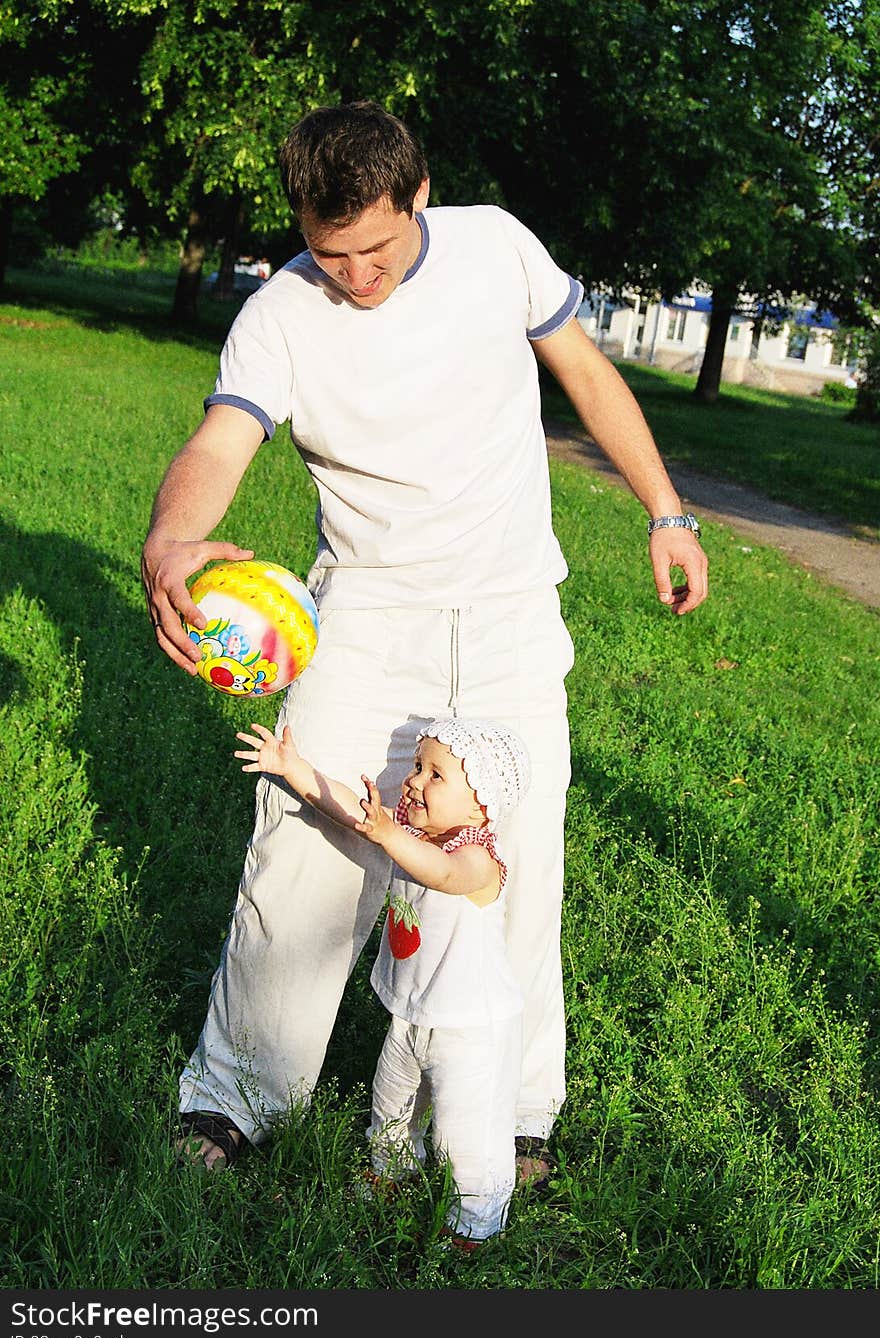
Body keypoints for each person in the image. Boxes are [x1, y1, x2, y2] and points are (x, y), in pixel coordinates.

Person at [141, 101, 708, 1178]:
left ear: (420, 195)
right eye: (327, 251)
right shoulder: (282, 313)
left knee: (516, 856)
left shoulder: (497, 247)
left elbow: (584, 372)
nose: (352, 274)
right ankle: (235, 1100)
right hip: (363, 613)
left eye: (376, 248)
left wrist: (666, 511)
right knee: (309, 844)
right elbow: (222, 438)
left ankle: (515, 1107)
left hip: (506, 614)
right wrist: (173, 538)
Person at [229, 715, 530, 1248]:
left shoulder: (480, 858)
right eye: (418, 766)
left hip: (469, 1030)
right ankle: (391, 1169)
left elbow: (444, 876)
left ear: (481, 804)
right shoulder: (411, 834)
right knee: (391, 1100)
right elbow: (348, 810)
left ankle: (476, 1223)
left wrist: (389, 833)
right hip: (413, 1012)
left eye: (437, 775)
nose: (414, 780)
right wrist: (292, 767)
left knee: (468, 1132)